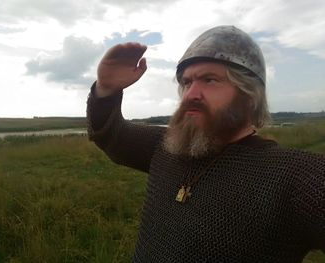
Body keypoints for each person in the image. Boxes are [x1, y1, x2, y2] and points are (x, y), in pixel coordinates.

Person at [86, 25, 325, 262]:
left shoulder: (295, 177)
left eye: (209, 80)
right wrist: (106, 90)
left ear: (250, 94)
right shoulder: (168, 145)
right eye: (186, 83)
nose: (190, 94)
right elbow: (113, 136)